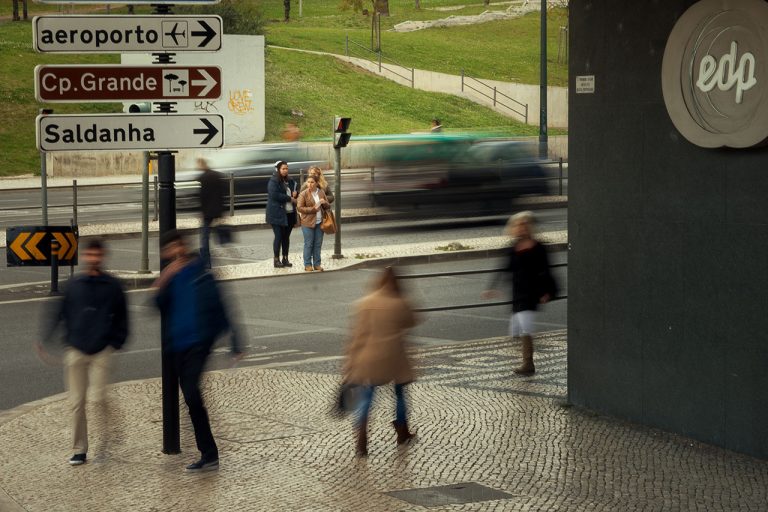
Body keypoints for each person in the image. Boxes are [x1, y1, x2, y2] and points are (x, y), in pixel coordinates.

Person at [153, 229, 244, 473]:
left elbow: (223, 307)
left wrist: (236, 342)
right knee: (191, 399)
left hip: (198, 343)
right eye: (169, 249)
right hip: (177, 345)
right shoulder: (170, 277)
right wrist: (162, 283)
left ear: (183, 247)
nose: (173, 252)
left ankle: (209, 452)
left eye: (176, 247)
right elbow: (156, 307)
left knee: (192, 394)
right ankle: (208, 452)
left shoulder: (201, 274)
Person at [37, 238, 129, 466]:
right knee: (76, 403)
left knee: (98, 398)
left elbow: (123, 318)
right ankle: (79, 449)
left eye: (97, 255)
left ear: (102, 257)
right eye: (90, 255)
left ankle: (106, 440)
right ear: (85, 257)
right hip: (76, 349)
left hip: (102, 350)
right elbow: (58, 312)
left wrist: (115, 342)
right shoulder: (74, 285)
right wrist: (47, 337)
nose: (94, 259)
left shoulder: (113, 286)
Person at [344, 266, 419, 457]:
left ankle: (361, 438)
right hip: (395, 357)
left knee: (367, 397)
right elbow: (412, 321)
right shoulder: (400, 302)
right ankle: (402, 431)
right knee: (400, 393)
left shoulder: (364, 303)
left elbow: (357, 335)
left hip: (369, 358)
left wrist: (350, 362)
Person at [483, 211, 558, 375]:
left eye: (525, 225)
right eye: (518, 225)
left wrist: (548, 292)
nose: (522, 228)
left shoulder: (539, 247)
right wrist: (492, 287)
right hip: (517, 293)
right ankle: (523, 354)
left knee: (526, 328)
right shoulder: (512, 247)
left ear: (530, 227)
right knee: (514, 330)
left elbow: (547, 270)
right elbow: (503, 268)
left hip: (532, 293)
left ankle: (528, 363)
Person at [266, 160, 299, 268]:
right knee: (279, 236)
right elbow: (275, 195)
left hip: (289, 213)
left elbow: (295, 192)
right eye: (283, 169)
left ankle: (285, 258)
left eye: (287, 168)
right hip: (277, 213)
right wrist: (290, 198)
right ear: (278, 170)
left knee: (286, 237)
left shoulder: (290, 181)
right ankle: (276, 260)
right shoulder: (273, 181)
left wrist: (296, 193)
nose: (285, 170)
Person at [197, 157, 227, 269]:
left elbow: (201, 197)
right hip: (217, 210)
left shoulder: (202, 178)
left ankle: (206, 262)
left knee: (204, 237)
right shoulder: (217, 175)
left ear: (201, 165)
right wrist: (223, 211)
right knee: (215, 232)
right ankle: (222, 242)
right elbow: (223, 194)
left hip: (207, 212)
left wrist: (201, 212)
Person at [297, 175, 330, 272]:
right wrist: (313, 209)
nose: (309, 184)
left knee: (318, 244)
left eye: (312, 182)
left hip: (320, 222)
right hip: (307, 222)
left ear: (316, 183)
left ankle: (317, 264)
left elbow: (327, 206)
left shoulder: (321, 192)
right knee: (309, 244)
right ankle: (307, 264)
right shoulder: (303, 194)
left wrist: (324, 203)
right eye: (308, 182)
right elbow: (299, 208)